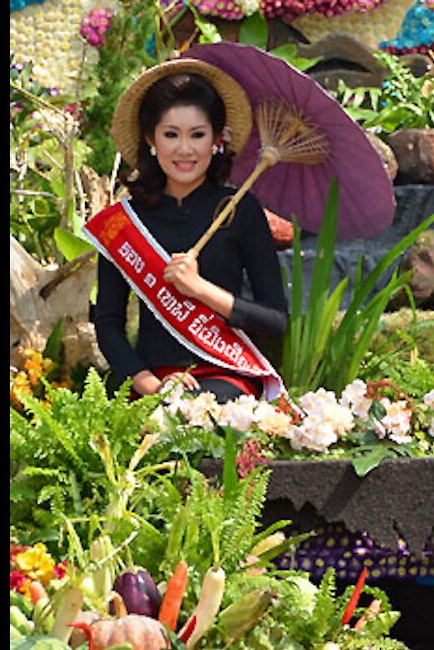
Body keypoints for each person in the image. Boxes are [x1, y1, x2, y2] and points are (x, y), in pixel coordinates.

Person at [90, 58, 288, 403]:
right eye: (171, 134)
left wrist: (199, 289)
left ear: (216, 139)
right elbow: (107, 323)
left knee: (201, 415)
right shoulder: (123, 223)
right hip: (149, 382)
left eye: (197, 134)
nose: (185, 149)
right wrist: (150, 385)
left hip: (225, 376)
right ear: (151, 138)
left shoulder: (240, 209)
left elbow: (274, 321)